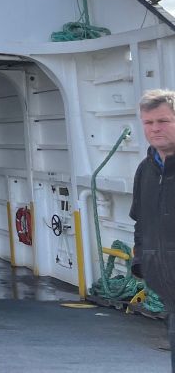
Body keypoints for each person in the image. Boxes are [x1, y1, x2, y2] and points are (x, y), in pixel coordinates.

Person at [130, 89, 175, 371]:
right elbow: (141, 221)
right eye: (149, 123)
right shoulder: (145, 170)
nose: (155, 129)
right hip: (169, 288)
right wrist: (141, 262)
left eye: (163, 121)